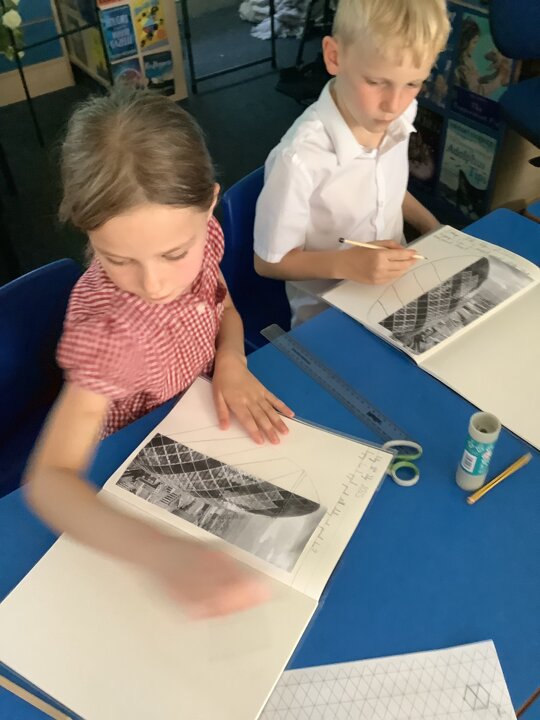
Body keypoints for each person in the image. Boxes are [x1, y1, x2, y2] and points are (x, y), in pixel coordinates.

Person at [24, 88, 294, 619]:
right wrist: (162, 555)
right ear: (86, 230)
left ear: (209, 205)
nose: (154, 284)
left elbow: (223, 304)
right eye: (117, 259)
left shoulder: (204, 237)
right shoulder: (111, 332)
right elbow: (49, 480)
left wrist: (231, 360)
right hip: (126, 459)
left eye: (174, 254)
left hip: (198, 416)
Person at [254, 0, 450, 326]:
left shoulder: (401, 114)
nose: (393, 105)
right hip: (329, 317)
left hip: (397, 290)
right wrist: (347, 264)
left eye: (412, 84)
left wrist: (431, 225)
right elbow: (267, 262)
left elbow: (384, 185)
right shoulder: (299, 159)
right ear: (334, 57)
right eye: (375, 82)